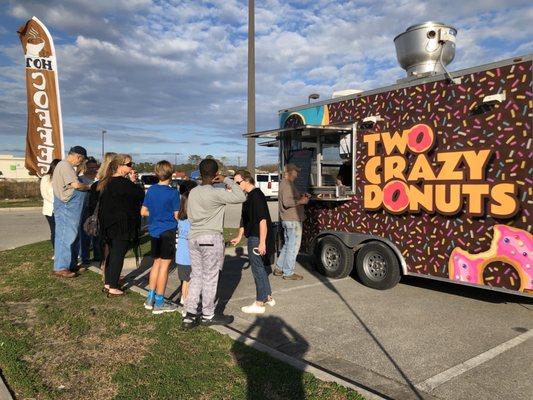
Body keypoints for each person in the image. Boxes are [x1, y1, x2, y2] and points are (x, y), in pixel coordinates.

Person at [182, 158, 246, 329]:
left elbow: (189, 214)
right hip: (210, 238)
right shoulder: (216, 193)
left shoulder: (194, 192)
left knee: (196, 276)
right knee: (210, 278)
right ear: (215, 173)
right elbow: (240, 196)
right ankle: (208, 314)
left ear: (200, 173)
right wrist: (225, 179)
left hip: (193, 237)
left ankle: (189, 314)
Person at [98, 154, 144, 296]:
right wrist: (133, 181)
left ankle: (108, 282)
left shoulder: (107, 181)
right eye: (129, 164)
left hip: (109, 224)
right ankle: (113, 286)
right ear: (119, 166)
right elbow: (139, 195)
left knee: (112, 253)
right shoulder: (123, 184)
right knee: (118, 254)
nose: (131, 167)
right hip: (122, 225)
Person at [230, 170, 276, 314]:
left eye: (238, 182)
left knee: (258, 269)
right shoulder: (248, 197)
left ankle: (259, 302)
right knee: (260, 267)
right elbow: (245, 219)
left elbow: (262, 220)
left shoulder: (256, 196)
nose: (236, 185)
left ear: (247, 180)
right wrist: (239, 236)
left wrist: (262, 242)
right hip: (253, 237)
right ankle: (267, 296)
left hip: (257, 238)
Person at [141, 160, 180, 314]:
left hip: (154, 231)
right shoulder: (173, 193)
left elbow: (143, 212)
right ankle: (159, 301)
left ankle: (150, 297)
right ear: (171, 174)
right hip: (167, 231)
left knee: (156, 264)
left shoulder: (151, 191)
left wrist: (156, 215)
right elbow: (177, 215)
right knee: (165, 266)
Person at [52, 146, 90, 278]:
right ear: (78, 156)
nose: (81, 162)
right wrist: (89, 187)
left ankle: (71, 264)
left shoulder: (65, 166)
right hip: (66, 206)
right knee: (65, 236)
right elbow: (76, 185)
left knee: (73, 236)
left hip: (70, 207)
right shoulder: (65, 166)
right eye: (82, 160)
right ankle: (61, 267)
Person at [275, 163, 310, 280]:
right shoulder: (287, 184)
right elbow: (287, 202)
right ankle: (288, 273)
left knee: (287, 245)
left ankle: (279, 268)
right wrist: (301, 201)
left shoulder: (286, 184)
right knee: (293, 247)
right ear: (290, 172)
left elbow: (290, 198)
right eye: (296, 171)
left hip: (288, 219)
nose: (297, 173)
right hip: (292, 220)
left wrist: (301, 196)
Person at [88, 152, 116, 266]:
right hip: (112, 221)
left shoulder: (97, 184)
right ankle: (110, 274)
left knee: (104, 247)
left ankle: (105, 271)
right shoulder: (115, 184)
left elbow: (92, 206)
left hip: (100, 221)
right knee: (111, 249)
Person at [175, 180, 197, 311]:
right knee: (190, 281)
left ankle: (184, 299)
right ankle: (187, 305)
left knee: (185, 281)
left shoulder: (180, 218)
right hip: (190, 256)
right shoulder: (192, 221)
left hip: (180, 256)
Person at [78, 156, 98, 267]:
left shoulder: (99, 178)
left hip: (97, 209)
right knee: (85, 234)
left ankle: (98, 255)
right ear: (85, 167)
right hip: (85, 208)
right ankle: (84, 258)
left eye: (94, 167)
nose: (92, 169)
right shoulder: (81, 179)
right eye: (90, 167)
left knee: (97, 233)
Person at [40, 159, 61, 251]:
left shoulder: (62, 178)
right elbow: (44, 194)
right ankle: (56, 251)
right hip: (51, 210)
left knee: (62, 232)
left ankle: (62, 251)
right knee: (55, 231)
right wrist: (57, 202)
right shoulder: (46, 178)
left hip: (62, 209)